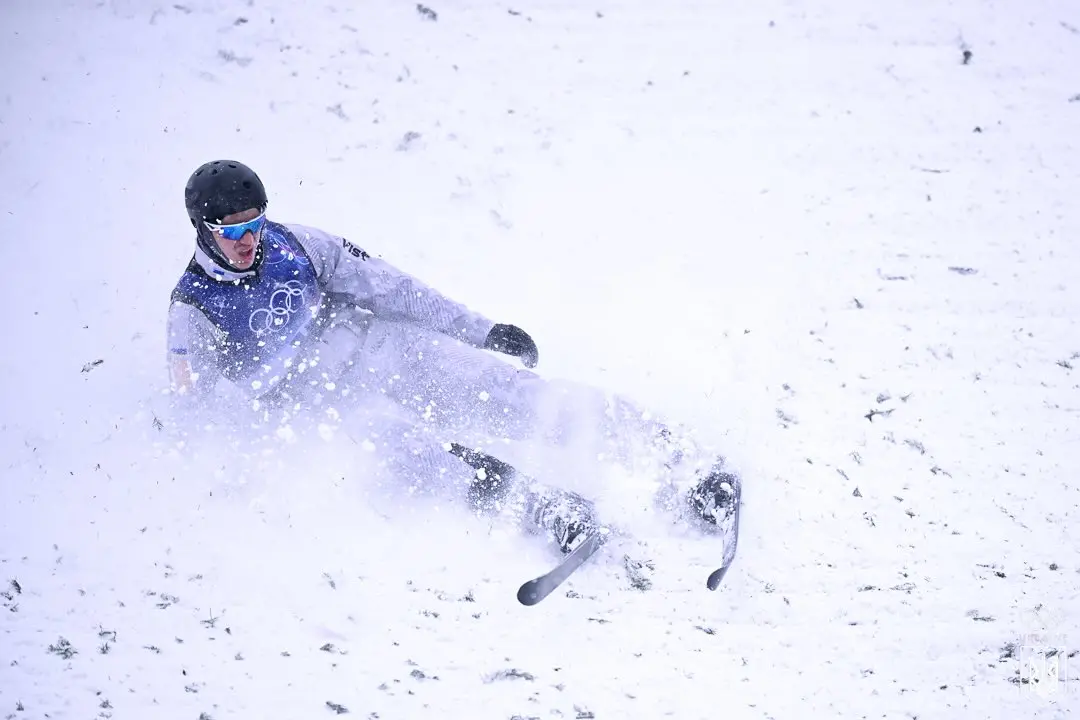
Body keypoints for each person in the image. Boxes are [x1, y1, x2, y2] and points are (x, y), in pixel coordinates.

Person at [166, 159, 737, 556]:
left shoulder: (299, 245)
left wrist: (482, 331)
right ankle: (547, 508)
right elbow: (198, 414)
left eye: (255, 222)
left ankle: (680, 456)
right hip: (324, 406)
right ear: (203, 229)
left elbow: (393, 289)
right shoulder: (194, 311)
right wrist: (241, 464)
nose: (249, 239)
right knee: (410, 453)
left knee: (515, 396)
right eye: (232, 230)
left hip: (386, 351)